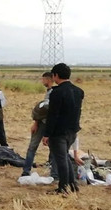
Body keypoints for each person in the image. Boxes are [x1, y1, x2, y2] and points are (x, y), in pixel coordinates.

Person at [42, 63, 84, 194]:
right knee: (65, 158)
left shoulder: (56, 93)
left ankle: (63, 188)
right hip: (72, 131)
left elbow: (53, 115)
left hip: (59, 133)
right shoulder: (79, 91)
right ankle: (72, 185)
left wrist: (47, 134)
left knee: (61, 161)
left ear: (56, 75)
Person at [21, 72, 58, 179]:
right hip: (43, 123)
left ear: (49, 79)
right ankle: (26, 171)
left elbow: (44, 110)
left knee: (49, 148)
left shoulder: (53, 92)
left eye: (43, 79)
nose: (42, 81)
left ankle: (54, 173)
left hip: (47, 124)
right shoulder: (50, 92)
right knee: (36, 147)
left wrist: (36, 122)